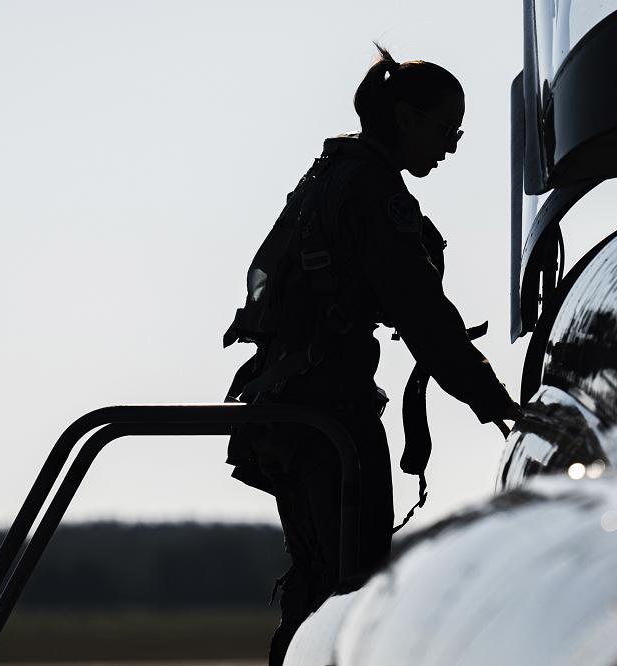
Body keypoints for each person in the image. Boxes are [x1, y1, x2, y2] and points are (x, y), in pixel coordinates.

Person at [223, 44, 522, 665]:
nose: (450, 147)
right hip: (328, 416)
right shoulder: (371, 190)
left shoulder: (329, 174)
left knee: (315, 587)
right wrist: (491, 399)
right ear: (406, 118)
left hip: (286, 410)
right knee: (351, 597)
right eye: (446, 130)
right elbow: (419, 311)